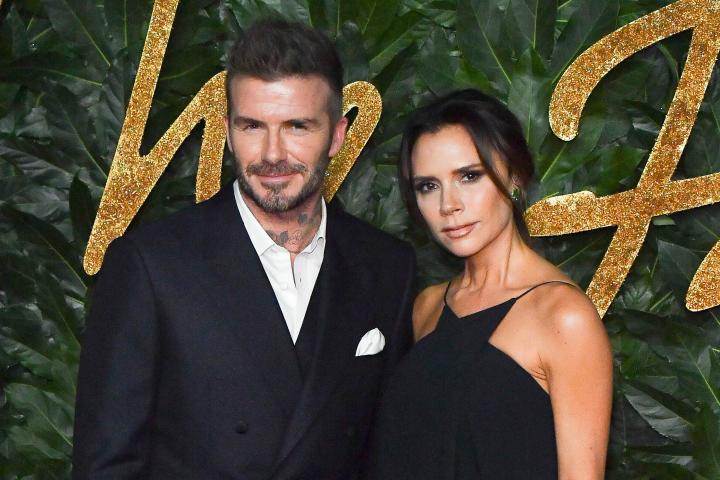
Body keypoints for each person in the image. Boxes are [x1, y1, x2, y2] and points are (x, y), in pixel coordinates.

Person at [72, 19, 416, 480]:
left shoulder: (387, 267)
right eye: (253, 126)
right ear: (229, 132)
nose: (272, 154)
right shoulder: (150, 265)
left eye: (297, 126)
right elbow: (105, 466)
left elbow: (391, 454)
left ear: (337, 136)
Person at [369, 89, 613, 479]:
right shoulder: (427, 306)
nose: (449, 205)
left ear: (515, 175)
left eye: (469, 176)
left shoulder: (563, 317)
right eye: (428, 186)